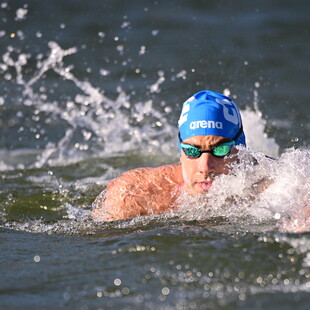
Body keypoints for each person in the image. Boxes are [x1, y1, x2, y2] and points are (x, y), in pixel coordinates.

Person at [92, 90, 246, 222]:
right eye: (192, 151)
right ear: (181, 153)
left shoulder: (266, 188)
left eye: (220, 150)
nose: (205, 167)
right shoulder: (137, 193)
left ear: (240, 151)